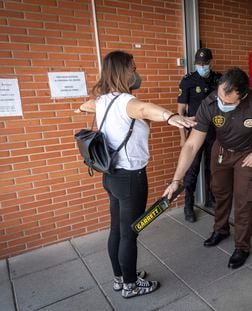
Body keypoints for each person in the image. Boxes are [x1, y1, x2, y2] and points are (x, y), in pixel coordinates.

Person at [77, 50, 196, 298]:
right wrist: (171, 116)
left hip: (111, 176)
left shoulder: (103, 100)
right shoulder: (125, 102)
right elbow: (143, 109)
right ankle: (130, 286)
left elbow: (86, 105)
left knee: (117, 230)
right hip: (131, 178)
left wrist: (85, 106)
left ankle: (121, 278)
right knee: (130, 233)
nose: (136, 72)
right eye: (133, 67)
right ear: (123, 71)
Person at [164, 67, 252, 269]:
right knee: (220, 192)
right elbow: (192, 144)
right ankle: (220, 229)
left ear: (243, 95)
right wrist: (177, 178)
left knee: (244, 199)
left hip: (248, 154)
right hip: (221, 152)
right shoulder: (210, 102)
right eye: (220, 97)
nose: (221, 103)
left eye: (227, 102)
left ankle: (242, 246)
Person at [177, 48, 221, 222]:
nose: (202, 66)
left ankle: (211, 198)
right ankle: (189, 205)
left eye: (205, 63)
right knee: (192, 169)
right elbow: (180, 110)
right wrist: (182, 137)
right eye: (199, 64)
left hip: (214, 132)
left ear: (211, 62)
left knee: (213, 167)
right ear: (195, 63)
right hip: (195, 131)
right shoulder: (188, 80)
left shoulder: (219, 79)